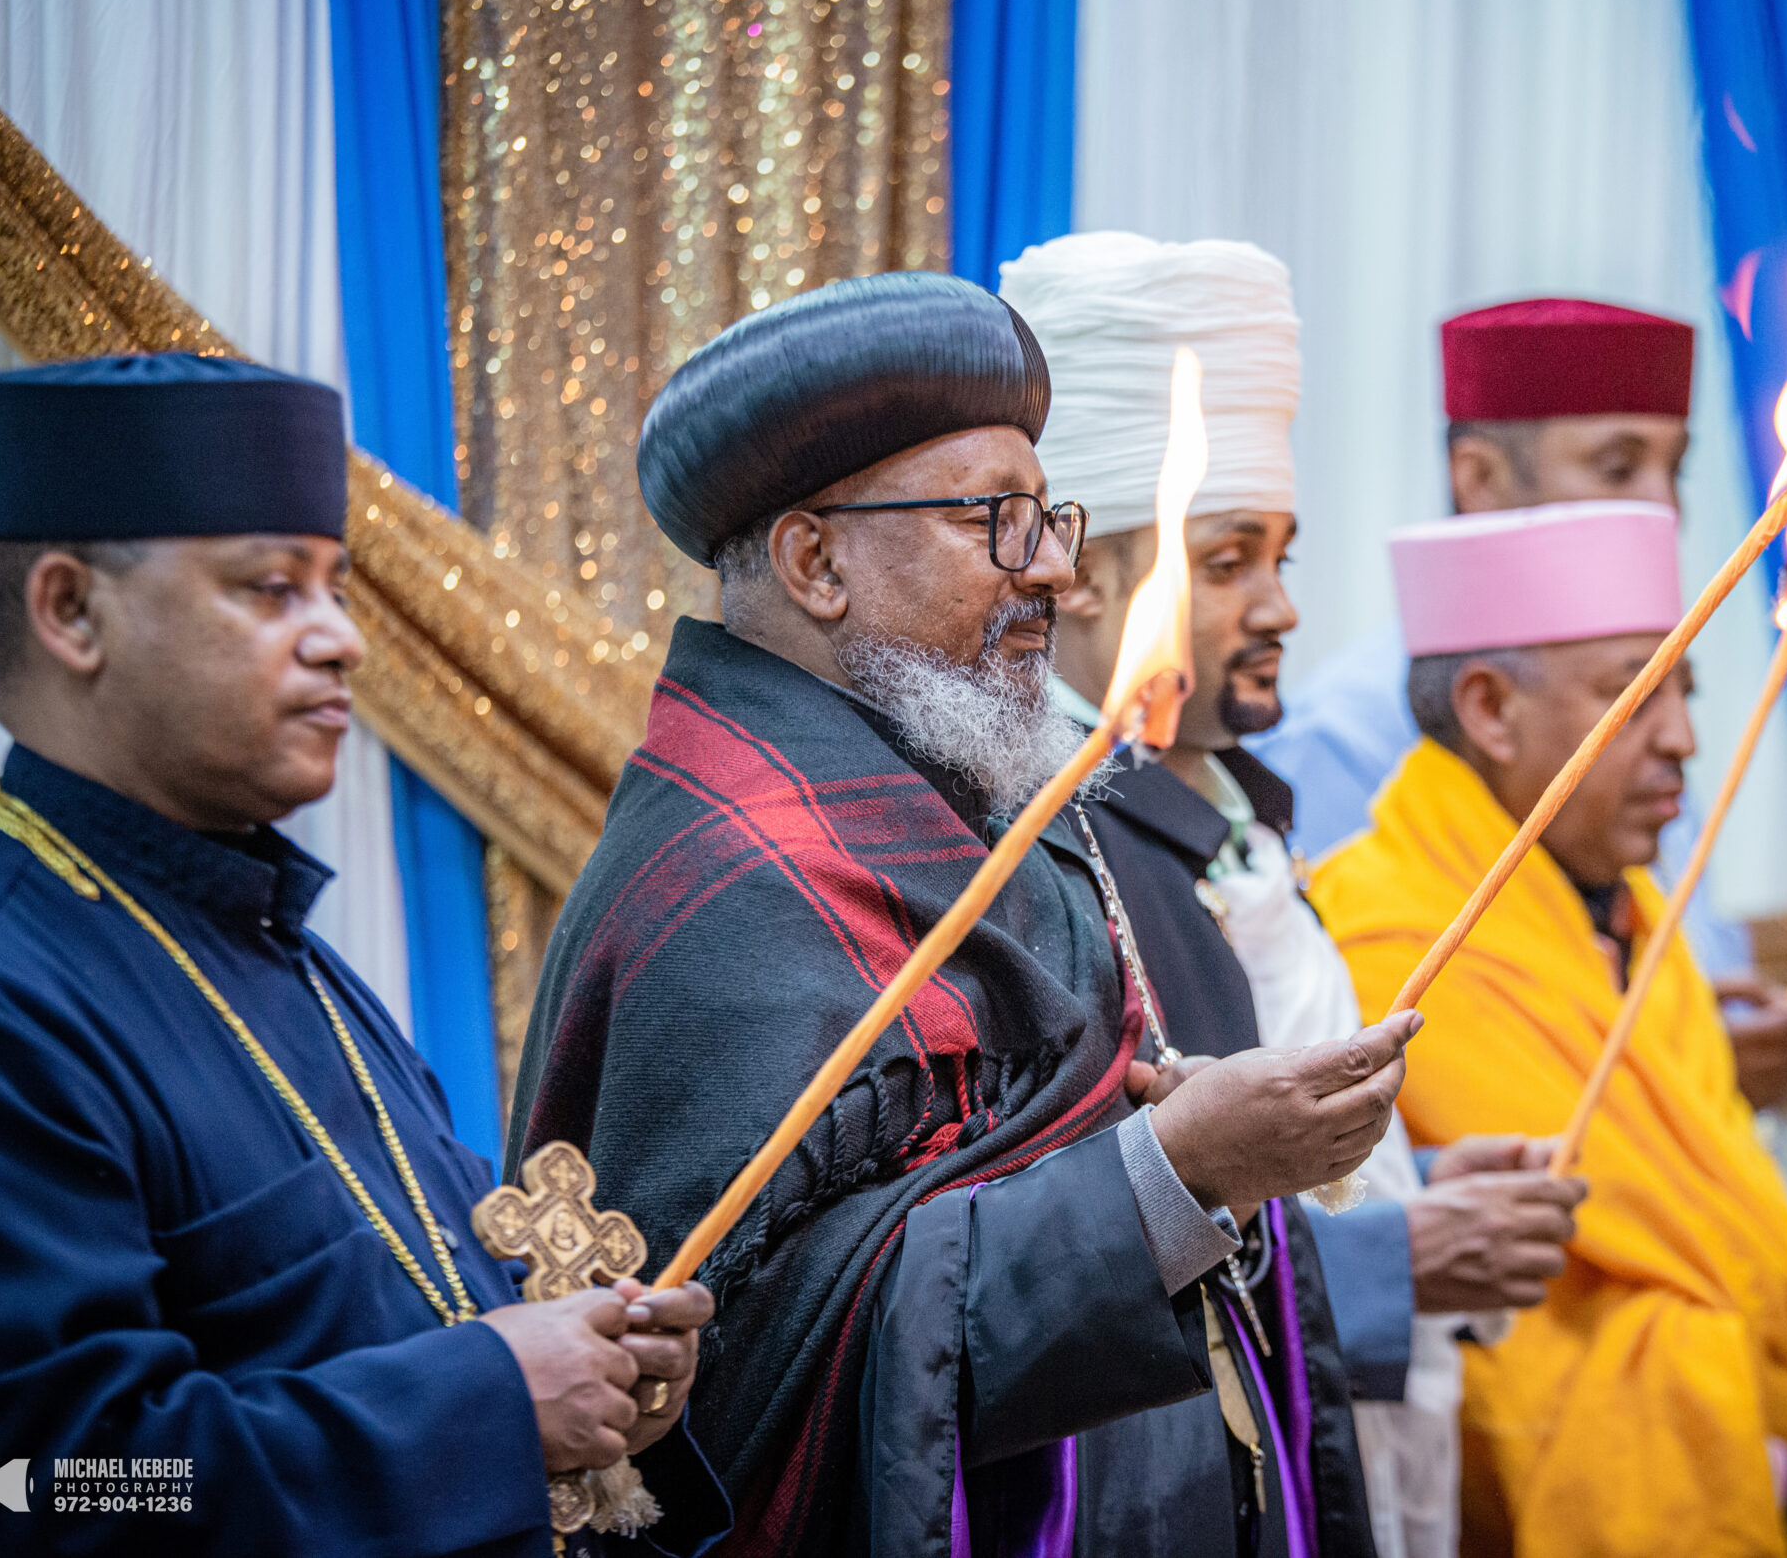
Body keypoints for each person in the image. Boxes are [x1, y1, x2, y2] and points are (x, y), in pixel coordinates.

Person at [508, 271, 1411, 1558]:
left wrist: (1184, 1137)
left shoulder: (970, 800)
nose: (1049, 567)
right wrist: (1175, 1168)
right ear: (815, 560)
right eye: (994, 519)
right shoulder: (741, 868)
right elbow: (753, 1381)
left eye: (1048, 517)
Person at [0, 354, 721, 1557]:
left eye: (336, 588)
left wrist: (593, 1372)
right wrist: (490, 1402)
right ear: (69, 610)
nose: (342, 641)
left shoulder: (257, 921)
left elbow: (407, 1316)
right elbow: (10, 1488)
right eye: (271, 589)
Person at [1008, 231, 1586, 1558]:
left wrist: (1408, 1184)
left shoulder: (1237, 815)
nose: (1280, 607)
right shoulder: (1048, 855)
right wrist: (1396, 1257)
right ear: (1079, 573)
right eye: (1227, 563)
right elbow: (1066, 1254)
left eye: (1282, 555)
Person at [1311, 502, 1787, 1558]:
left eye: (1687, 690)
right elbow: (1518, 1327)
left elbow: (1735, 1216)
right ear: (1490, 708)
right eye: (1637, 693)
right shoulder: (1387, 946)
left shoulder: (1631, 914)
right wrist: (1768, 1476)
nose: (1683, 738)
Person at [1251, 299, 1787, 1105]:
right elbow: (1341, 1035)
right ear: (1479, 478)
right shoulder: (1339, 734)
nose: (1664, 509)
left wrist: (1697, 1050)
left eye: (1676, 470)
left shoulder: (1643, 712)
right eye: (1618, 467)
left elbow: (1664, 953)